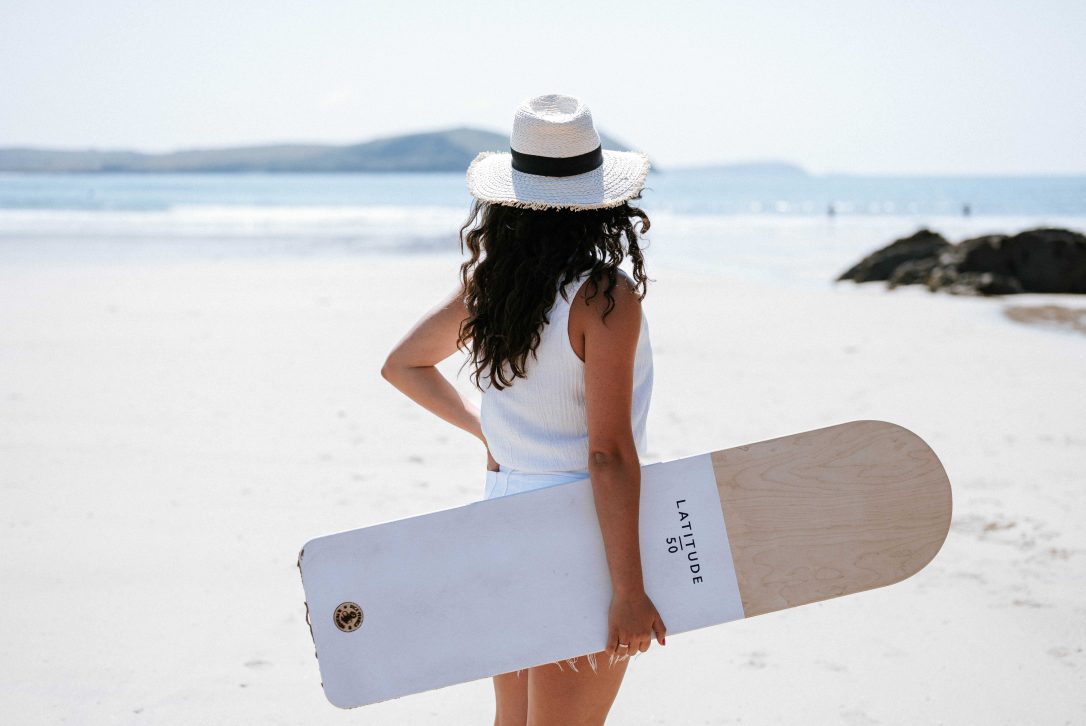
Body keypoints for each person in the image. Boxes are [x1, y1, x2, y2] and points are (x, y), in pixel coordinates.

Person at [381, 93, 664, 725]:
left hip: (503, 521)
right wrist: (628, 591)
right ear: (603, 202)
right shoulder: (604, 297)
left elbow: (403, 364)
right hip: (578, 533)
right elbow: (607, 454)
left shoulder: (493, 288)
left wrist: (488, 432)